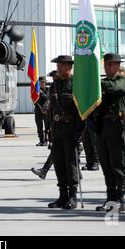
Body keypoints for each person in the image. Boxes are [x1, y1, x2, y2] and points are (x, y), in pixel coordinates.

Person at [95, 53, 125, 213]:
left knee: (119, 165)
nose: (108, 67)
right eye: (106, 64)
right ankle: (110, 198)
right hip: (103, 129)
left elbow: (115, 89)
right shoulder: (101, 83)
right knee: (106, 165)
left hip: (118, 129)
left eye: (111, 64)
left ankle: (120, 199)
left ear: (117, 66)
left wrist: (96, 82)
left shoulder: (124, 82)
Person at [47, 55, 84, 209]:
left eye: (62, 65)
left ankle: (72, 196)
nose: (59, 68)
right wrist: (50, 130)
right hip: (57, 130)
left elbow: (81, 111)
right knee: (59, 164)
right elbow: (51, 110)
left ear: (69, 67)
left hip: (71, 129)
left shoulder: (76, 84)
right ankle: (62, 195)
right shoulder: (54, 86)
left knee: (71, 165)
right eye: (58, 65)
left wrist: (79, 132)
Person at [34, 77, 49, 147]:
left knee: (47, 127)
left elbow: (48, 98)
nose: (42, 84)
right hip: (38, 110)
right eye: (41, 83)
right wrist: (40, 108)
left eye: (43, 82)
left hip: (46, 111)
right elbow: (35, 100)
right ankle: (41, 140)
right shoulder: (36, 91)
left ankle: (46, 141)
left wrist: (42, 93)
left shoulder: (48, 90)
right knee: (39, 127)